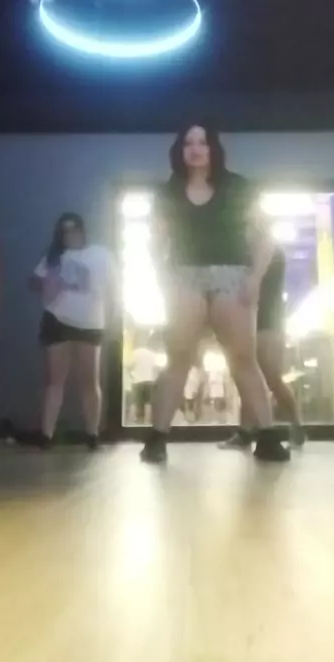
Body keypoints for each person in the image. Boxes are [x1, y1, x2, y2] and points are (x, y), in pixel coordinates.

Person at [140, 123, 290, 463]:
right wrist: (163, 277)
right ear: (180, 150)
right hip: (184, 276)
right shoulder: (168, 192)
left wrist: (255, 279)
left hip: (231, 275)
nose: (195, 148)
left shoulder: (238, 187)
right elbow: (156, 241)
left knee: (243, 358)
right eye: (188, 143)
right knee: (179, 357)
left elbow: (265, 238)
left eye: (202, 142)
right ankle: (156, 439)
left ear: (213, 149)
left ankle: (268, 437)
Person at [30, 213, 114, 450]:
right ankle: (47, 434)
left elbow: (113, 288)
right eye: (64, 231)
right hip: (58, 320)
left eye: (74, 229)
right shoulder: (54, 256)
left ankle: (93, 433)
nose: (70, 234)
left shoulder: (101, 254)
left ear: (82, 230)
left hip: (90, 323)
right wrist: (47, 283)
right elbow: (34, 281)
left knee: (90, 380)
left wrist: (112, 317)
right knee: (55, 380)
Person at [219, 245, 305, 450]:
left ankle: (296, 426)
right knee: (248, 376)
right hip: (249, 315)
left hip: (268, 317)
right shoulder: (247, 249)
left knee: (271, 376)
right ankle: (245, 431)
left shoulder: (269, 250)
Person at [130, 334, 158, 424]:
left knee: (138, 402)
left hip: (137, 380)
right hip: (149, 380)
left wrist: (131, 374)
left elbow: (130, 366)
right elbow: (156, 368)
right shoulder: (152, 353)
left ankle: (139, 419)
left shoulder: (134, 353)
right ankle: (148, 420)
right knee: (149, 402)